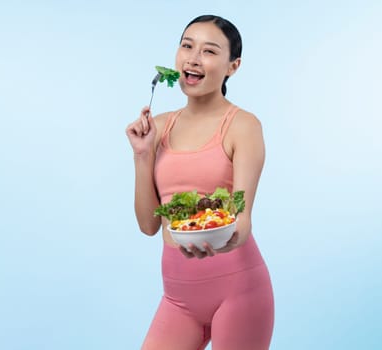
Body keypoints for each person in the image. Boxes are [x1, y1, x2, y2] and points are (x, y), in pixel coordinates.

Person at [125, 14, 274, 350]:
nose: (192, 58)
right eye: (186, 46)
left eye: (208, 51)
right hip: (178, 299)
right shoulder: (158, 127)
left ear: (232, 66)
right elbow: (149, 225)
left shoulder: (243, 126)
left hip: (239, 291)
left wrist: (218, 240)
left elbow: (242, 222)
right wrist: (142, 156)